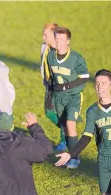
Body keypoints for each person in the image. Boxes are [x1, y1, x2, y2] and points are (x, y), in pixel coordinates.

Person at [46, 26, 90, 169]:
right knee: (65, 126)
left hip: (73, 96)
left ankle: (74, 158)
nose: (58, 42)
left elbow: (84, 77)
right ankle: (70, 153)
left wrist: (67, 86)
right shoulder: (50, 56)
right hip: (59, 97)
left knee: (71, 125)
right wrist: (49, 96)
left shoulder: (76, 59)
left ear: (68, 41)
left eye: (62, 39)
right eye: (56, 39)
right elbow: (51, 79)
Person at [40, 23, 66, 152]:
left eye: (46, 35)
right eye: (43, 34)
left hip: (60, 88)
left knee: (61, 114)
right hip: (49, 87)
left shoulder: (60, 52)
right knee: (49, 112)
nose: (43, 37)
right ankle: (67, 128)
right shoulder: (45, 48)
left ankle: (64, 141)